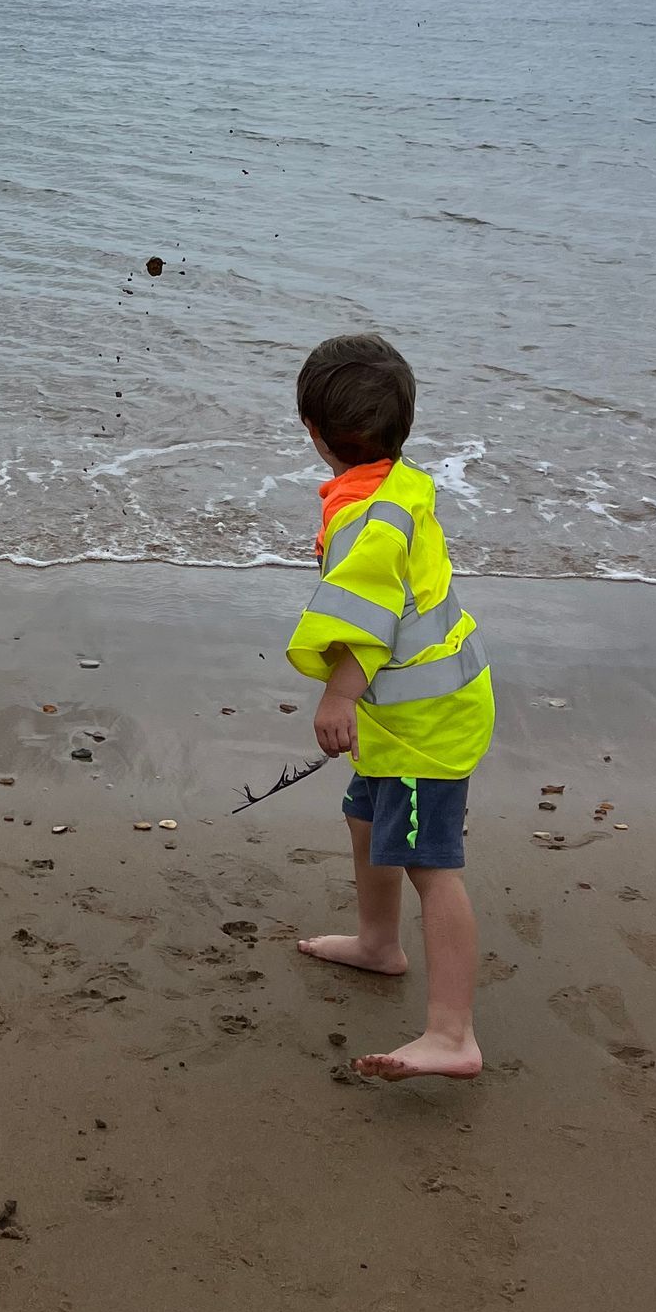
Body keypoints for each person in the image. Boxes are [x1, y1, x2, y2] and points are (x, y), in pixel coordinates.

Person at [285, 335, 494, 1080]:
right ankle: (379, 945)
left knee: (431, 866)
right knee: (366, 816)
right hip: (425, 705)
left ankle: (451, 1034)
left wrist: (337, 694)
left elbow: (367, 617)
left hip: (423, 724)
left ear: (314, 434)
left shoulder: (364, 522)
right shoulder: (397, 484)